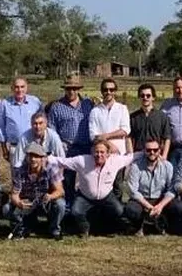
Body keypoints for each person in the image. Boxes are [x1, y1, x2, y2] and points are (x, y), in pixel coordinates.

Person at [48, 141, 134, 237]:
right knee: (75, 211)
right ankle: (84, 229)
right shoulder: (82, 160)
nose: (99, 155)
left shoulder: (115, 161)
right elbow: (62, 161)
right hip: (85, 196)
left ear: (108, 154)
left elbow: (131, 157)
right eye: (96, 152)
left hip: (107, 196)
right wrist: (44, 158)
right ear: (92, 152)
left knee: (119, 210)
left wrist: (146, 152)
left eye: (102, 152)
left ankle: (110, 228)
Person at [47, 75, 94, 205]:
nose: (71, 91)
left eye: (74, 88)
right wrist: (57, 149)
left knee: (87, 179)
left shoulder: (88, 104)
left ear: (79, 89)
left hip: (86, 147)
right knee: (68, 179)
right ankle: (68, 207)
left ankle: (85, 207)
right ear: (65, 89)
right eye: (69, 89)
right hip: (67, 147)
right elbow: (52, 130)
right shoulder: (57, 106)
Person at [6, 143, 67, 240]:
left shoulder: (51, 168)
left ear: (42, 158)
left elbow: (60, 191)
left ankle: (55, 230)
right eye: (30, 156)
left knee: (60, 204)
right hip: (28, 203)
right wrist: (18, 203)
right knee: (7, 208)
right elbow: (14, 194)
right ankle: (22, 229)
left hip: (45, 201)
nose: (33, 159)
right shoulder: (19, 171)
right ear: (26, 157)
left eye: (36, 156)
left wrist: (51, 196)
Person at [123, 139, 174, 236]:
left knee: (178, 206)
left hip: (160, 199)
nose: (152, 152)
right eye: (148, 150)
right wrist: (149, 207)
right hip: (142, 200)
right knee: (131, 209)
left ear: (160, 150)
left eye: (155, 150)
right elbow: (133, 191)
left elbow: (171, 189)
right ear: (144, 151)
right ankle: (139, 226)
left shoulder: (168, 166)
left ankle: (162, 224)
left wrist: (160, 206)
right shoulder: (135, 166)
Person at [0, 77, 43, 165]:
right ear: (12, 88)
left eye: (22, 87)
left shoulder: (35, 102)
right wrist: (4, 149)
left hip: (34, 146)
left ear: (27, 87)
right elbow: (1, 127)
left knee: (34, 176)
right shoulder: (5, 104)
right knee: (17, 176)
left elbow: (43, 122)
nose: (19, 90)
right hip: (15, 147)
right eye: (16, 87)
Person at [88, 78, 131, 155]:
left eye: (111, 90)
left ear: (115, 91)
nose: (108, 92)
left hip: (119, 152)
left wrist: (106, 136)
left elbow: (125, 130)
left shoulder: (122, 108)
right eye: (105, 90)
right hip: (101, 154)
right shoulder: (95, 111)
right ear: (101, 91)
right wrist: (109, 145)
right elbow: (93, 136)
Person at [129, 83, 172, 159]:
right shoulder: (133, 117)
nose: (145, 98)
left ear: (153, 97)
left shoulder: (162, 116)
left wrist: (164, 156)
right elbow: (129, 138)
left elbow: (167, 138)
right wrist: (131, 155)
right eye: (142, 96)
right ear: (139, 97)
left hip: (156, 154)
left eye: (148, 95)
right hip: (139, 154)